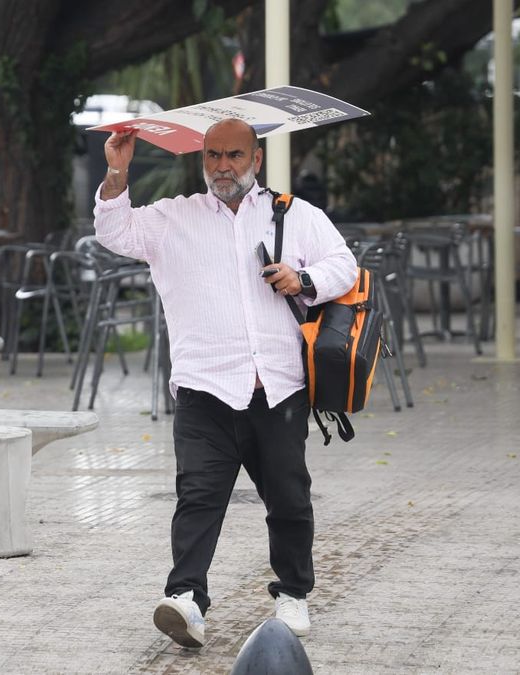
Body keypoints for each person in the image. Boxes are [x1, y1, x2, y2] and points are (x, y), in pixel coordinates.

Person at [92, 119, 356, 648]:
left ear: (255, 160)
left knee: (288, 497)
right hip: (204, 387)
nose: (222, 166)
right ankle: (186, 598)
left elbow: (344, 266)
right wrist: (117, 172)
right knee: (197, 496)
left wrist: (302, 280)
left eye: (234, 156)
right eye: (213, 156)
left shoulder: (295, 214)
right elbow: (114, 232)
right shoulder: (175, 217)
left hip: (276, 385)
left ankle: (293, 595)